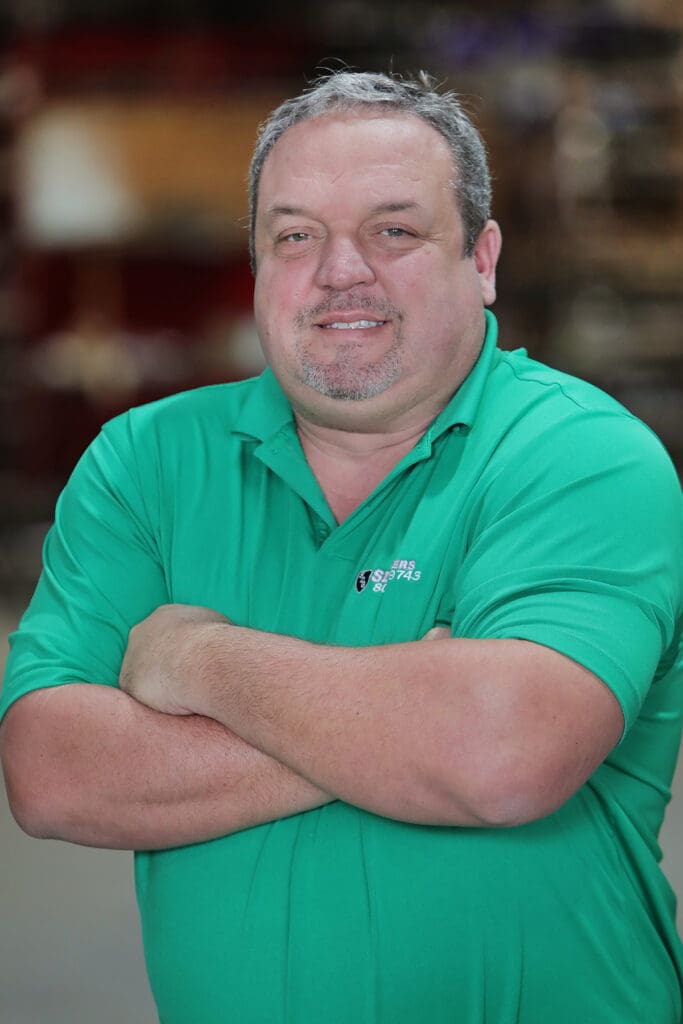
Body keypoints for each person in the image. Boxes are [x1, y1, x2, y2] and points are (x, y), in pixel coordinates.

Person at [1, 69, 682, 1024]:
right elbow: (51, 774)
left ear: (481, 260)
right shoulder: (146, 461)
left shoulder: (580, 456)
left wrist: (196, 657)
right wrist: (415, 710)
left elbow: (502, 755)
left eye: (393, 230)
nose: (340, 271)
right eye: (295, 236)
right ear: (256, 268)